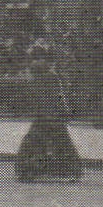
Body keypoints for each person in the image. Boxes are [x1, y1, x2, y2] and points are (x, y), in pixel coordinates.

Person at [14, 39, 83, 182]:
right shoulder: (38, 78)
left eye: (40, 59)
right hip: (46, 115)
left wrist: (60, 111)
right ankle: (33, 170)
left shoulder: (50, 78)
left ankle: (35, 170)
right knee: (45, 141)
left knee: (49, 141)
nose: (36, 62)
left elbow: (57, 97)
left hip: (51, 115)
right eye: (35, 59)